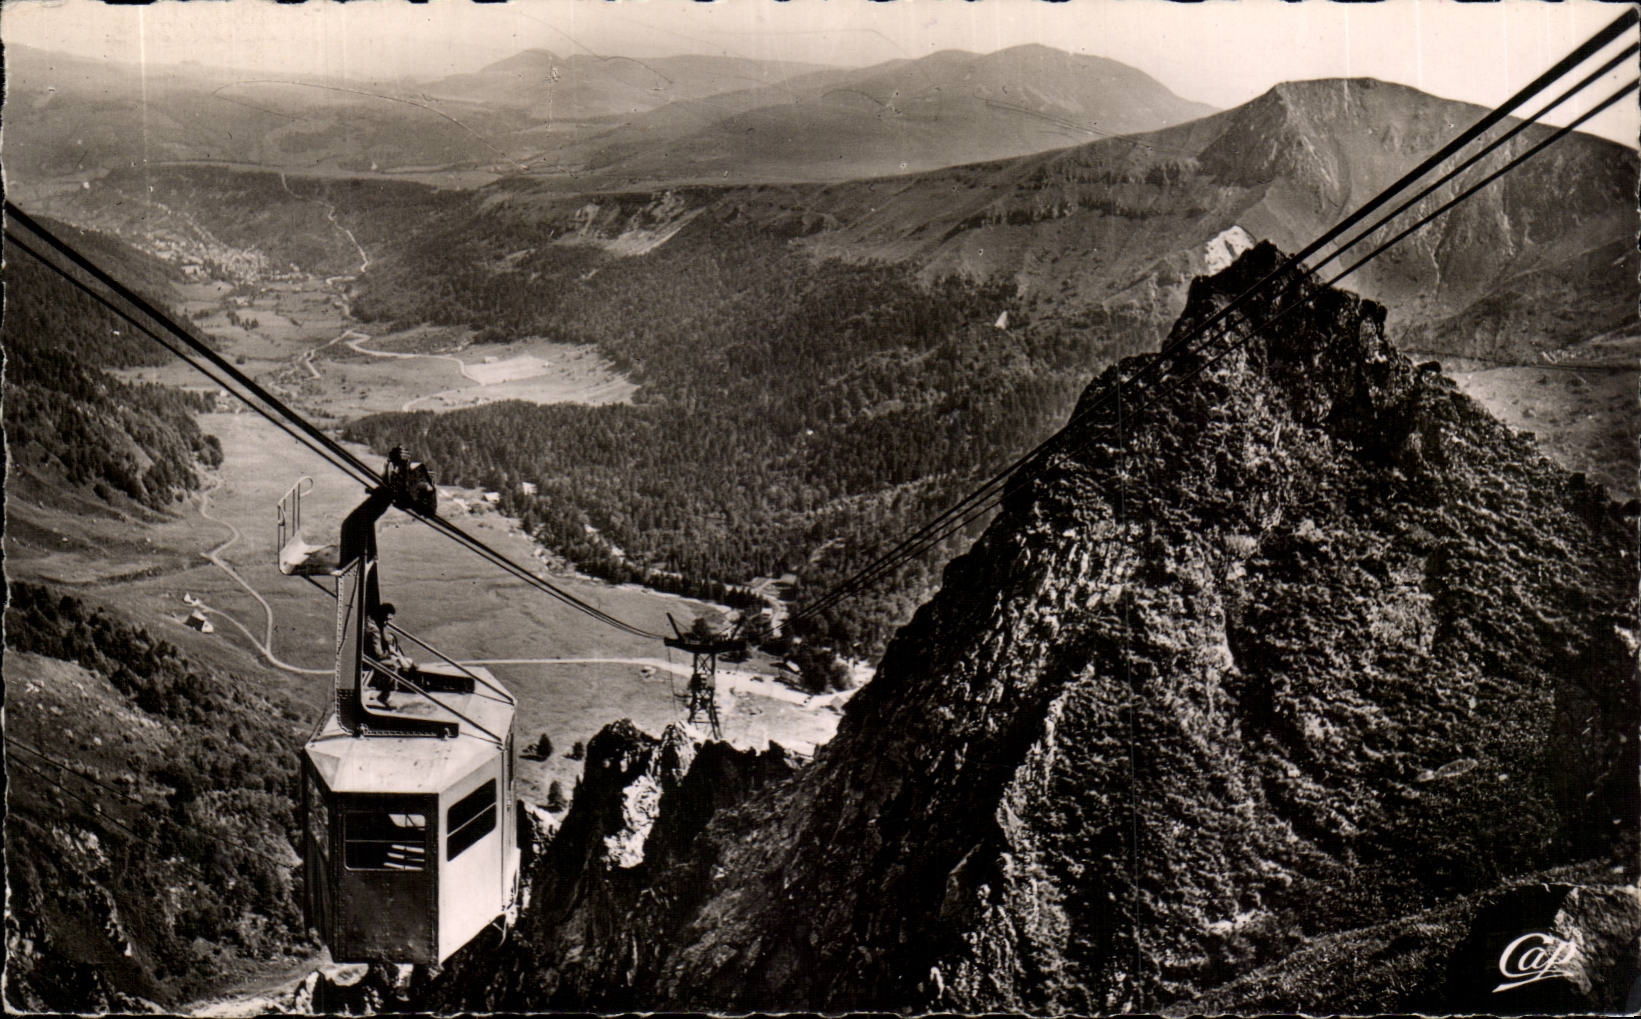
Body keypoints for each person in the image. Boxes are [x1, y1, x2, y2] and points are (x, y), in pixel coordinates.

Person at [365, 602, 415, 708]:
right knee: (393, 665)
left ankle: (401, 686)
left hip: (376, 656)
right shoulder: (374, 630)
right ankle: (384, 696)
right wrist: (392, 655)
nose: (388, 622)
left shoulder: (379, 625)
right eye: (386, 619)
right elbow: (378, 654)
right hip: (370, 660)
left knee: (406, 661)